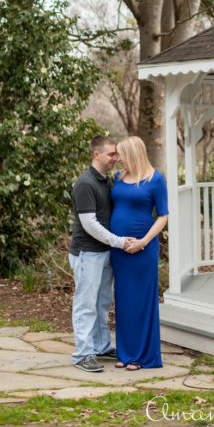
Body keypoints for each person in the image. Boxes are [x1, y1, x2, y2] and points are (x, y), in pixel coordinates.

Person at [68, 135, 137, 373]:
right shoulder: (85, 183)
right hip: (87, 253)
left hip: (105, 252)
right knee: (86, 304)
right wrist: (119, 242)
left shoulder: (106, 181)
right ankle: (82, 354)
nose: (115, 159)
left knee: (102, 303)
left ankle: (101, 346)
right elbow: (90, 224)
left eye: (116, 154)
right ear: (96, 154)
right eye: (111, 154)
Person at [110, 136, 169, 370]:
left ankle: (143, 356)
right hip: (119, 250)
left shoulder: (155, 180)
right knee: (123, 301)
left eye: (121, 154)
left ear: (133, 154)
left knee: (141, 302)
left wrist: (143, 241)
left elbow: (163, 216)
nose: (118, 158)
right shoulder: (118, 178)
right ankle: (125, 353)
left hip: (142, 250)